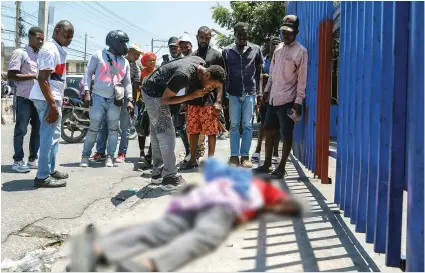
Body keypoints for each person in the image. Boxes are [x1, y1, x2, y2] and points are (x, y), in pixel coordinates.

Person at [68, 158, 302, 272]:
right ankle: (146, 266)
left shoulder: (227, 177)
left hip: (195, 201)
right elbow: (290, 207)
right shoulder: (263, 190)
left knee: (160, 230)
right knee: (202, 238)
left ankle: (96, 250)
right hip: (223, 208)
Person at [142, 56, 226, 191]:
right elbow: (165, 100)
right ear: (207, 74)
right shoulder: (184, 75)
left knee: (158, 133)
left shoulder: (200, 63)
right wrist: (191, 97)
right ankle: (170, 177)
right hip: (154, 95)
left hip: (154, 90)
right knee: (166, 133)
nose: (211, 89)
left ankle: (158, 173)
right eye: (212, 85)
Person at [254, 15, 308, 179]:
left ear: (297, 32)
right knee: (269, 130)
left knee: (286, 133)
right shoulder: (278, 49)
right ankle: (267, 163)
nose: (286, 35)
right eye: (283, 31)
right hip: (273, 99)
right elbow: (272, 74)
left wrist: (298, 101)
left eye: (289, 32)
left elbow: (302, 79)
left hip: (288, 101)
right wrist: (266, 92)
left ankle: (282, 167)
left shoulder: (301, 52)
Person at [28, 20, 74, 188]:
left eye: (70, 37)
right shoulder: (50, 49)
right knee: (47, 138)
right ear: (56, 31)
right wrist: (53, 105)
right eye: (65, 35)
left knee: (54, 137)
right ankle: (42, 177)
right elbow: (42, 79)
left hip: (53, 98)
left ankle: (50, 169)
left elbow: (56, 80)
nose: (68, 39)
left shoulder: (58, 50)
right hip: (47, 99)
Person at [80, 30, 134, 168]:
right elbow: (88, 74)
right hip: (98, 97)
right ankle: (85, 156)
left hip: (115, 100)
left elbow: (127, 83)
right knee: (93, 128)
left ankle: (110, 156)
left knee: (113, 129)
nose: (126, 46)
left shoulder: (125, 62)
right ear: (114, 42)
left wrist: (130, 99)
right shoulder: (98, 55)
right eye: (123, 42)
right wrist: (87, 91)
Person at [180, 26, 225, 170]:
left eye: (207, 37)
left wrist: (218, 101)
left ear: (210, 38)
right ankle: (193, 160)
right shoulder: (192, 55)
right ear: (197, 37)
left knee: (211, 132)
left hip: (209, 100)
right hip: (193, 100)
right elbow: (188, 80)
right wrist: (185, 101)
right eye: (202, 37)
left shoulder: (216, 55)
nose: (204, 40)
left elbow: (221, 80)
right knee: (193, 131)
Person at [91, 43, 143, 163]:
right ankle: (100, 152)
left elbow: (134, 86)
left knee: (125, 128)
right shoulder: (118, 61)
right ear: (128, 51)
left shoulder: (136, 68)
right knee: (104, 125)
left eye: (138, 54)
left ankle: (122, 153)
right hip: (111, 97)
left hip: (126, 100)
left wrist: (131, 102)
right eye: (135, 53)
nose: (137, 56)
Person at [222, 22, 263, 168]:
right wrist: (222, 97)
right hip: (233, 93)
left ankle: (245, 157)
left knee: (247, 125)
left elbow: (259, 73)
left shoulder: (256, 49)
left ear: (248, 34)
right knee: (234, 125)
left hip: (250, 93)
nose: (242, 36)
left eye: (244, 33)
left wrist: (260, 93)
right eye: (239, 33)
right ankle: (234, 156)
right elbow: (224, 74)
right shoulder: (226, 51)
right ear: (234, 34)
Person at [8, 27, 44, 173]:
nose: (41, 41)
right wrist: (32, 76)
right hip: (24, 97)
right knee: (21, 130)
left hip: (38, 98)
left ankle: (32, 159)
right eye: (38, 38)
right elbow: (11, 75)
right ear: (30, 37)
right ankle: (17, 160)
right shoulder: (20, 53)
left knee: (37, 130)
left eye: (42, 39)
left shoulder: (42, 55)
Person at [251, 37, 282, 164]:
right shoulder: (264, 61)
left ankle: (275, 152)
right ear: (269, 46)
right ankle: (258, 150)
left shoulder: (283, 60)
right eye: (272, 44)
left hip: (280, 98)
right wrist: (259, 94)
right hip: (265, 97)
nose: (274, 45)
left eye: (277, 43)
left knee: (277, 127)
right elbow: (258, 77)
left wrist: (270, 77)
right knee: (263, 125)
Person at [138, 52, 157, 165]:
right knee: (142, 128)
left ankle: (151, 154)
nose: (152, 62)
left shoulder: (157, 72)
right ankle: (141, 152)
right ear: (144, 62)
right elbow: (139, 87)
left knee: (154, 129)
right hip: (143, 103)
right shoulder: (142, 73)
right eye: (150, 60)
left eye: (153, 60)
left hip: (154, 103)